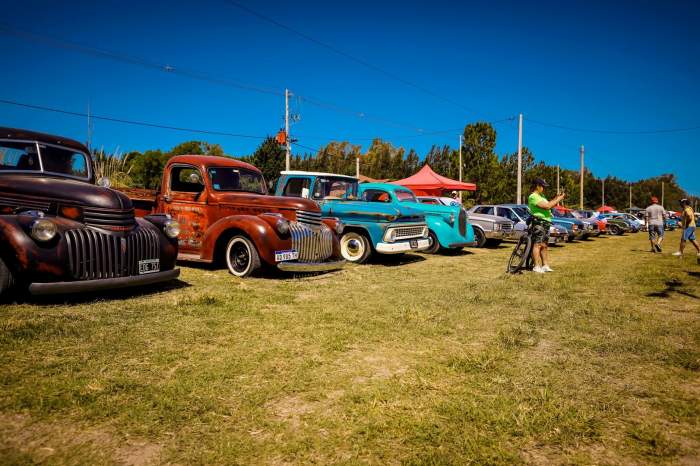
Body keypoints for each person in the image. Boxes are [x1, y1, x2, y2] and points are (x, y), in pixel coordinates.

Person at [527, 178, 566, 273]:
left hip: (546, 222)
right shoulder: (533, 196)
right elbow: (547, 206)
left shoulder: (542, 196)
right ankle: (536, 266)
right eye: (543, 186)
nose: (544, 188)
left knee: (544, 245)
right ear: (537, 186)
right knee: (537, 244)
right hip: (539, 222)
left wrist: (556, 197)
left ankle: (545, 265)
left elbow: (549, 203)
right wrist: (559, 199)